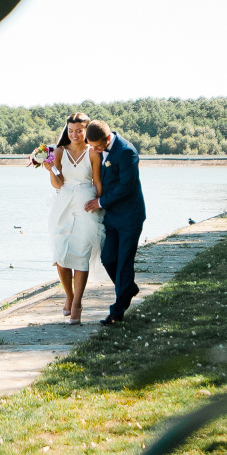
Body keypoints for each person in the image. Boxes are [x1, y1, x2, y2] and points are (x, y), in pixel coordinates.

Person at [43, 112, 105, 325]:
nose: (75, 134)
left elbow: (97, 182)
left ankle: (77, 302)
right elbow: (58, 184)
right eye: (71, 130)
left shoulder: (93, 153)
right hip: (64, 204)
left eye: (79, 130)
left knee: (81, 254)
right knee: (61, 254)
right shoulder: (59, 151)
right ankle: (68, 294)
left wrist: (99, 204)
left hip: (86, 206)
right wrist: (51, 169)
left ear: (86, 130)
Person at [83, 119, 146, 326]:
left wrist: (100, 201)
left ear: (108, 138)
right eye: (92, 146)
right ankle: (129, 288)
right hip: (111, 217)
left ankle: (117, 312)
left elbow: (126, 187)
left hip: (130, 216)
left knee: (124, 262)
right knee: (108, 259)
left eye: (98, 146)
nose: (95, 150)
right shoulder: (99, 149)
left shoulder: (127, 152)